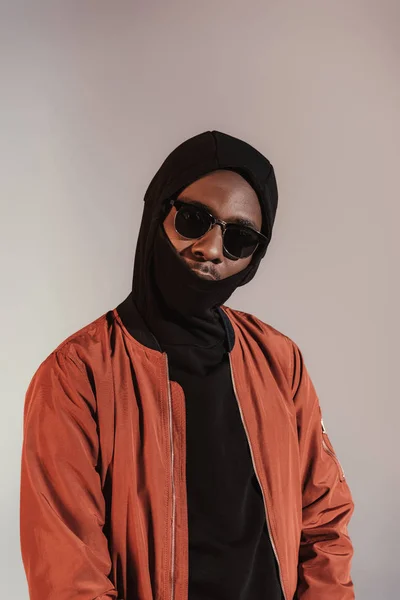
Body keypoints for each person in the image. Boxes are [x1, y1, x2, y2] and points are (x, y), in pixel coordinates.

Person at [20, 130, 355, 600]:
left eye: (239, 237)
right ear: (159, 211)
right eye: (195, 220)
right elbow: (68, 576)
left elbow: (324, 526)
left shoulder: (279, 360)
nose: (212, 250)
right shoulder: (77, 376)